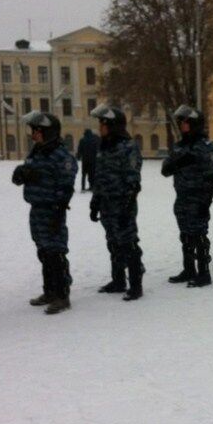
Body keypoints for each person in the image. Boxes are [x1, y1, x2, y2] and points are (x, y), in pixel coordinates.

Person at [13, 111, 78, 313]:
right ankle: (49, 291)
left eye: (37, 131)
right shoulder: (37, 152)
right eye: (33, 131)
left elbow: (66, 185)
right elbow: (21, 178)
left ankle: (61, 295)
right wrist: (20, 174)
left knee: (55, 253)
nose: (34, 135)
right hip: (37, 210)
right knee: (44, 252)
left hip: (52, 211)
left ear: (48, 132)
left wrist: (59, 209)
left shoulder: (61, 156)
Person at [89, 104, 145, 300]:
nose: (100, 128)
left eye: (103, 124)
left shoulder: (128, 147)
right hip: (106, 205)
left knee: (128, 243)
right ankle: (118, 280)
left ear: (113, 125)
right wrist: (95, 201)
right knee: (113, 243)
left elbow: (133, 181)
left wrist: (127, 206)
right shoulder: (104, 147)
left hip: (122, 205)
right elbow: (100, 177)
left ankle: (136, 284)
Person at [162, 105, 213, 287]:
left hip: (198, 199)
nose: (181, 125)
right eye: (180, 122)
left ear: (194, 124)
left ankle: (204, 273)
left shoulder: (204, 147)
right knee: (185, 235)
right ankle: (189, 269)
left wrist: (206, 202)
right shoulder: (180, 146)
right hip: (182, 199)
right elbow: (165, 169)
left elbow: (211, 177)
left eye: (185, 122)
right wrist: (178, 163)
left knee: (199, 235)